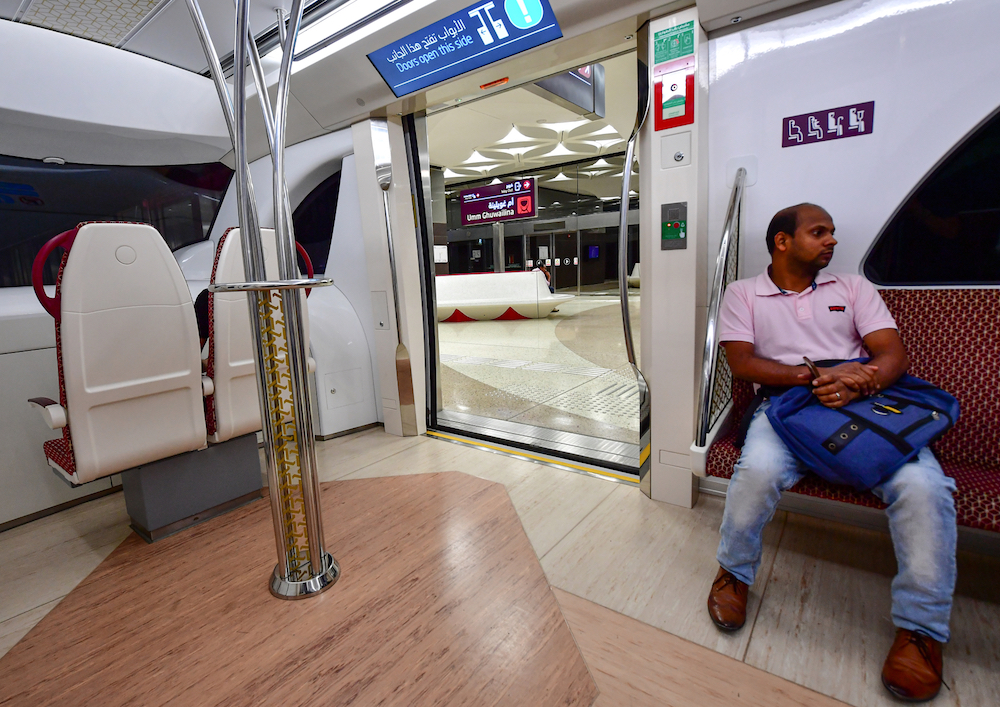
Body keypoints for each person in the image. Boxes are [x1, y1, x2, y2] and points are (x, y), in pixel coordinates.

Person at [707, 204, 956, 702]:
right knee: (756, 470)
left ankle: (920, 631)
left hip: (863, 405)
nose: (832, 241)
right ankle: (733, 574)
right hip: (784, 407)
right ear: (782, 241)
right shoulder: (743, 294)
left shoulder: (852, 289)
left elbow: (891, 354)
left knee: (925, 488)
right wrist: (819, 375)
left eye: (833, 233)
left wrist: (860, 382)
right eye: (818, 232)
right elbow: (743, 364)